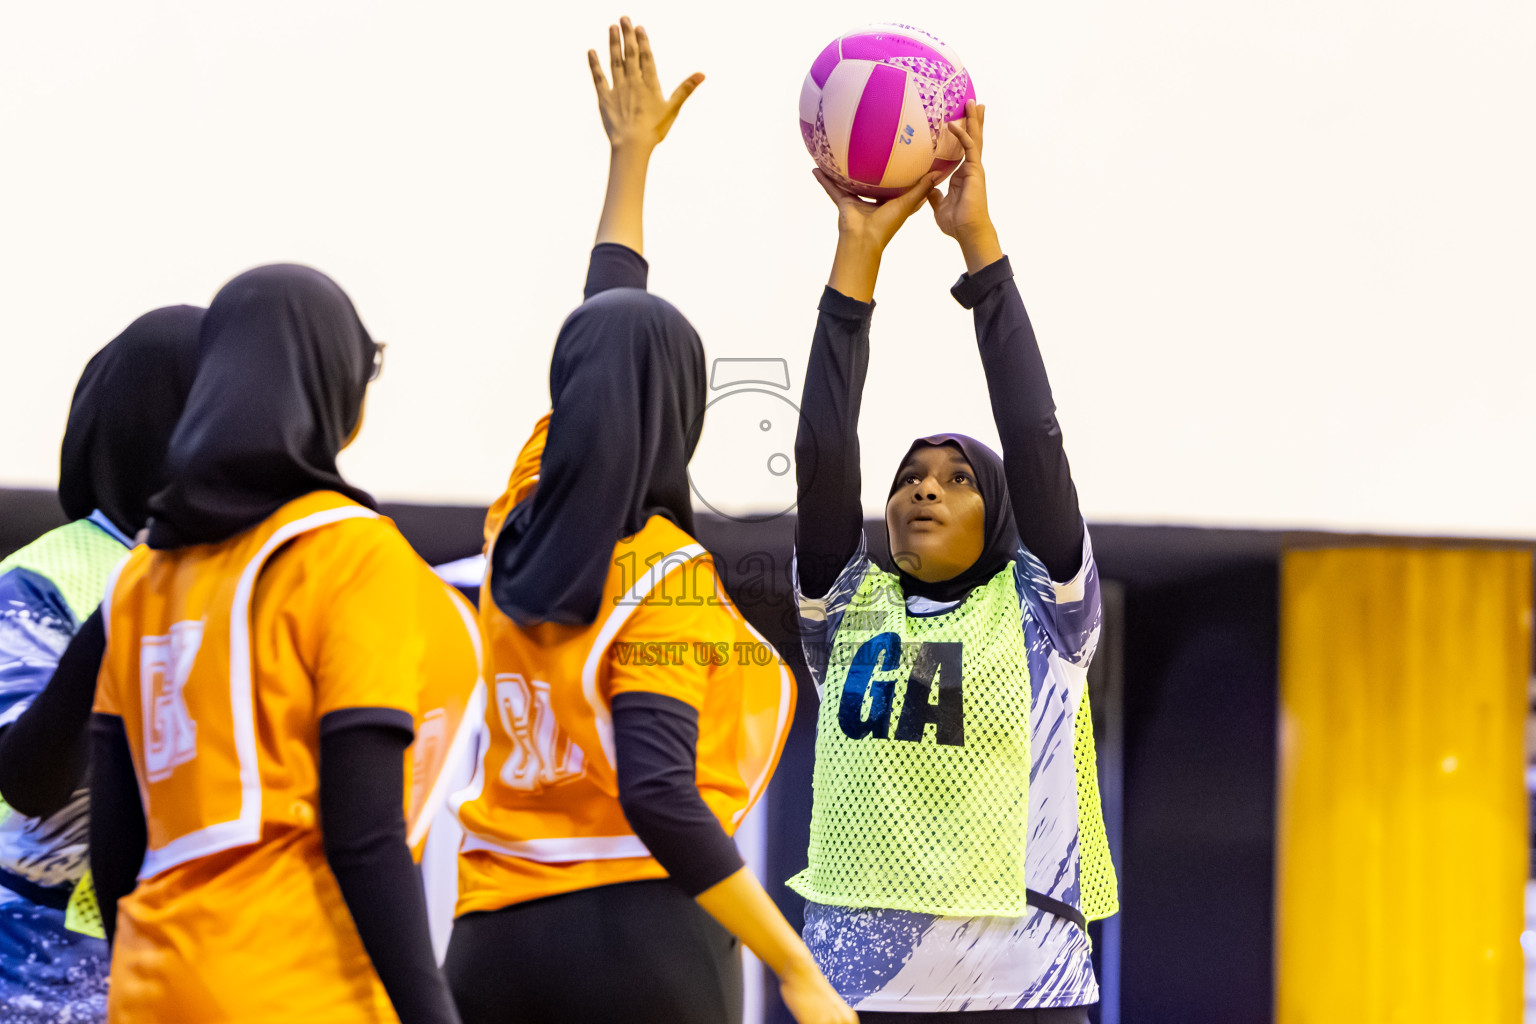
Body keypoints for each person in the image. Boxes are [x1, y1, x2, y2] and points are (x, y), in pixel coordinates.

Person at [443, 19, 855, 1024]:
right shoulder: (663, 576)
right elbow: (662, 796)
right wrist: (795, 967)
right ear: (686, 412)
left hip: (489, 941)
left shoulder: (516, 520)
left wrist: (629, 162)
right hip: (634, 938)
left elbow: (601, 340)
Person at [79, 263, 480, 1023]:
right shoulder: (352, 555)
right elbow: (364, 835)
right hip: (297, 983)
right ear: (341, 403)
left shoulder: (139, 577)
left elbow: (115, 849)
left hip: (152, 986)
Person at [788, 102, 1118, 1022]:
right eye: (910, 478)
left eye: (958, 479)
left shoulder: (1046, 609)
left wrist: (979, 247)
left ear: (1001, 512)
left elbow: (1035, 436)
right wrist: (858, 250)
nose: (925, 491)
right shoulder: (847, 609)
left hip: (1026, 991)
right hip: (856, 996)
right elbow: (821, 450)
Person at [0, 305, 202, 1024]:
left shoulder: (233, 579)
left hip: (174, 961)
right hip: (37, 970)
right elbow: (32, 783)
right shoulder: (42, 578)